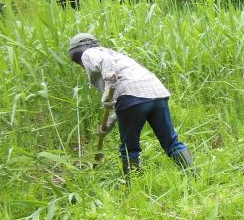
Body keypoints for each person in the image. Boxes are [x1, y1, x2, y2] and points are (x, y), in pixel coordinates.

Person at [67, 33, 193, 176]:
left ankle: (134, 187)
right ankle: (193, 176)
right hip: (156, 93)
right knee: (171, 142)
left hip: (131, 97)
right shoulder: (115, 55)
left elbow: (117, 86)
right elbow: (121, 101)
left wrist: (107, 87)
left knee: (129, 149)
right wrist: (110, 121)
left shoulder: (90, 53)